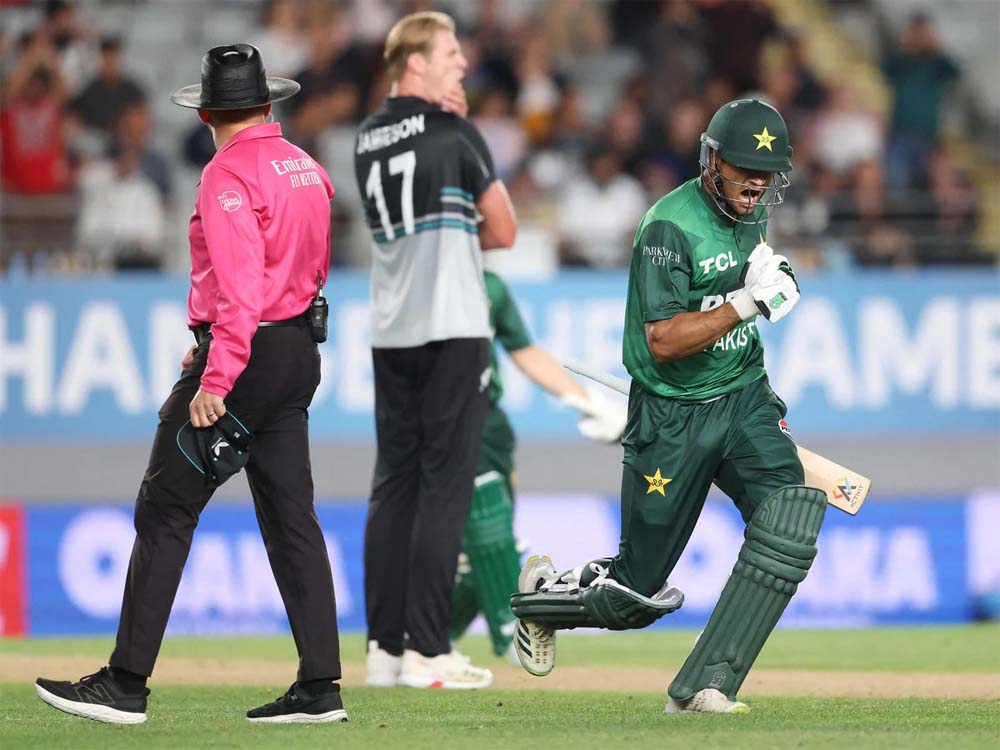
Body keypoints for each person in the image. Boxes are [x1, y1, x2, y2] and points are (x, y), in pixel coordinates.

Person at [34, 44, 348, 725]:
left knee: (165, 508)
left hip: (245, 357)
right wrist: (218, 339)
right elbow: (307, 266)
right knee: (292, 519)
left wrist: (218, 369)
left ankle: (125, 683)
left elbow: (242, 288)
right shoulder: (306, 167)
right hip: (298, 350)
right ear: (267, 102)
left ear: (205, 112)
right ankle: (321, 684)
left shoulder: (225, 174)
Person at [511, 99, 827, 715]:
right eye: (744, 170)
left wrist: (770, 274)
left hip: (742, 395)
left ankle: (708, 685)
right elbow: (664, 341)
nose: (756, 185)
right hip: (673, 415)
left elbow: (744, 282)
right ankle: (543, 601)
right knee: (636, 595)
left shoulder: (751, 212)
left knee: (789, 521)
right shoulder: (668, 227)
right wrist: (748, 303)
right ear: (712, 161)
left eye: (766, 175)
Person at [355, 11, 517, 690]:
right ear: (416, 63)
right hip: (451, 324)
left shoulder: (366, 136)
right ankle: (428, 648)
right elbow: (503, 231)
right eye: (450, 52)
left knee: (393, 485)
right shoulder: (455, 133)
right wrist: (461, 131)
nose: (462, 61)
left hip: (391, 329)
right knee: (444, 485)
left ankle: (383, 650)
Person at [445, 269, 627, 662]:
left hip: (489, 422)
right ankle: (507, 630)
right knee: (489, 533)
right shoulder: (428, 278)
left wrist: (586, 400)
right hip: (447, 417)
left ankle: (426, 644)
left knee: (486, 548)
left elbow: (524, 350)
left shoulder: (492, 284)